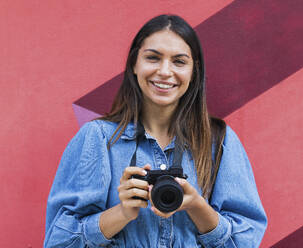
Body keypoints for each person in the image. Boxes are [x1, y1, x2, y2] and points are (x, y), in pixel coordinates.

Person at [44, 14, 267, 248]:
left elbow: (245, 242)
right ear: (134, 64)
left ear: (194, 71)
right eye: (153, 58)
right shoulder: (98, 139)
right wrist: (123, 212)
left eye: (179, 61)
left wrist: (197, 206)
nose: (164, 71)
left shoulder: (218, 142)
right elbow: (59, 243)